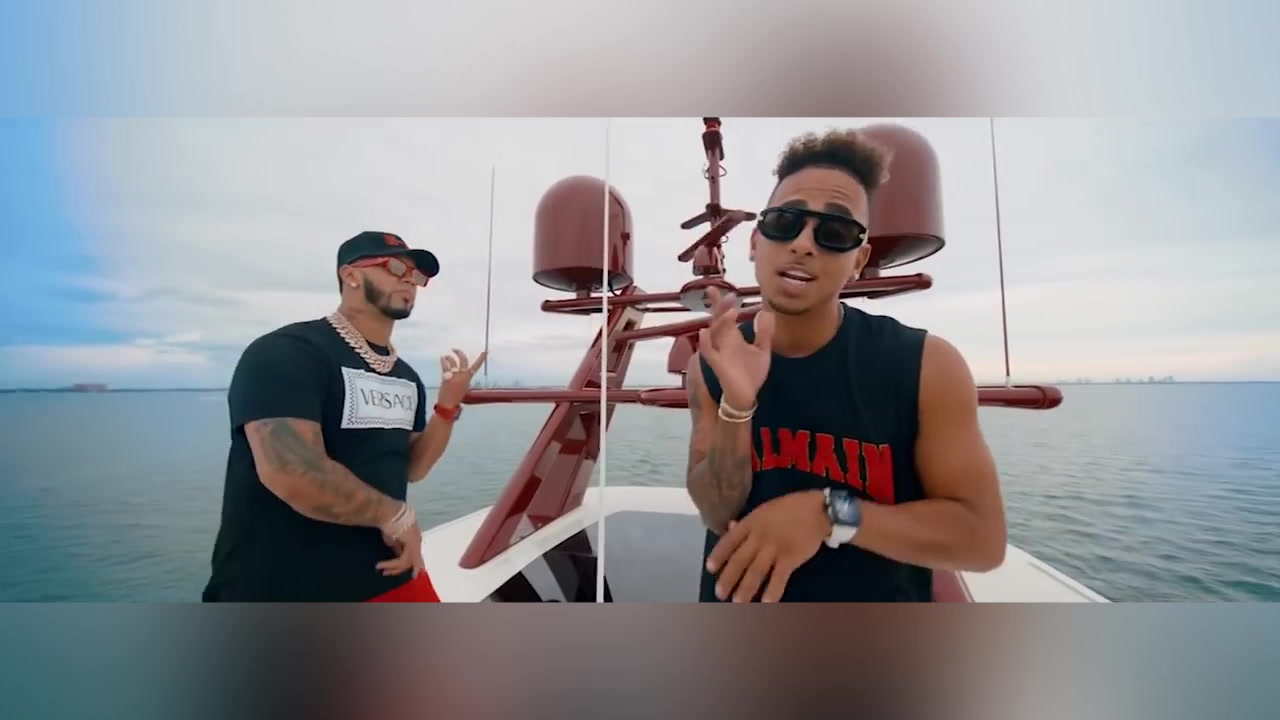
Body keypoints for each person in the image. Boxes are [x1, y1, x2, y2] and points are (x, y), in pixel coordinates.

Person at [685, 129, 1007, 602]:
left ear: (860, 259)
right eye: (785, 221)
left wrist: (827, 514)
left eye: (834, 232)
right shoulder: (709, 365)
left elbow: (981, 540)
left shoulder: (923, 365)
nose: (803, 243)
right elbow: (716, 512)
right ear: (755, 241)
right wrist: (737, 406)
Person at [202, 230, 486, 602]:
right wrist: (396, 515)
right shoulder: (287, 353)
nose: (409, 280)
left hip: (391, 572)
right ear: (350, 275)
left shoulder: (406, 378)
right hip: (283, 588)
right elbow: (291, 470)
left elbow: (413, 467)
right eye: (395, 267)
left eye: (416, 275)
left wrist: (447, 406)